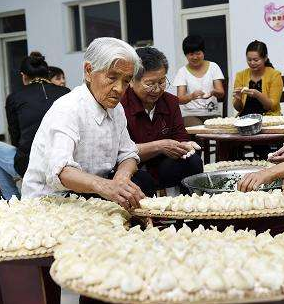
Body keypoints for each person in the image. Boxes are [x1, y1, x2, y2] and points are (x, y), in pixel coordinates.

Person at [21, 37, 156, 211]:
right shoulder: (68, 108)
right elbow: (61, 171)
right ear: (88, 71)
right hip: (52, 200)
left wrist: (122, 177)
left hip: (88, 193)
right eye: (112, 77)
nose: (119, 89)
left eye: (126, 80)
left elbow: (128, 154)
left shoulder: (116, 109)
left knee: (141, 182)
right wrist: (105, 186)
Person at [121, 47, 203, 193]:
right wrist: (159, 146)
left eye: (162, 81)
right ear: (132, 81)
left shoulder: (170, 102)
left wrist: (186, 144)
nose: (157, 89)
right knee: (139, 178)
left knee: (192, 160)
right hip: (130, 165)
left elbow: (180, 137)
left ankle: (190, 208)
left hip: (163, 164)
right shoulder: (120, 106)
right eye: (150, 83)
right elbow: (121, 151)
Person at [0, 52, 70, 200]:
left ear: (23, 76)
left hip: (30, 165)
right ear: (47, 73)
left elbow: (16, 138)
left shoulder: (14, 98)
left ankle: (12, 202)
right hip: (67, 165)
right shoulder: (66, 93)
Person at [173, 35, 224, 127]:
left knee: (218, 130)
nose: (195, 57)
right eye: (191, 54)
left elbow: (221, 93)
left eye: (198, 53)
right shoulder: (182, 72)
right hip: (190, 115)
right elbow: (179, 99)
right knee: (198, 131)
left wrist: (214, 92)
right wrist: (192, 96)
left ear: (203, 52)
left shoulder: (213, 67)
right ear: (186, 55)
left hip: (212, 112)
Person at [233, 40, 283, 116]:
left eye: (256, 60)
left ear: (265, 58)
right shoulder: (240, 75)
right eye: (249, 60)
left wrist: (258, 95)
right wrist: (238, 99)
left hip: (268, 118)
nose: (252, 63)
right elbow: (239, 108)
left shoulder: (275, 75)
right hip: (244, 118)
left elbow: (272, 106)